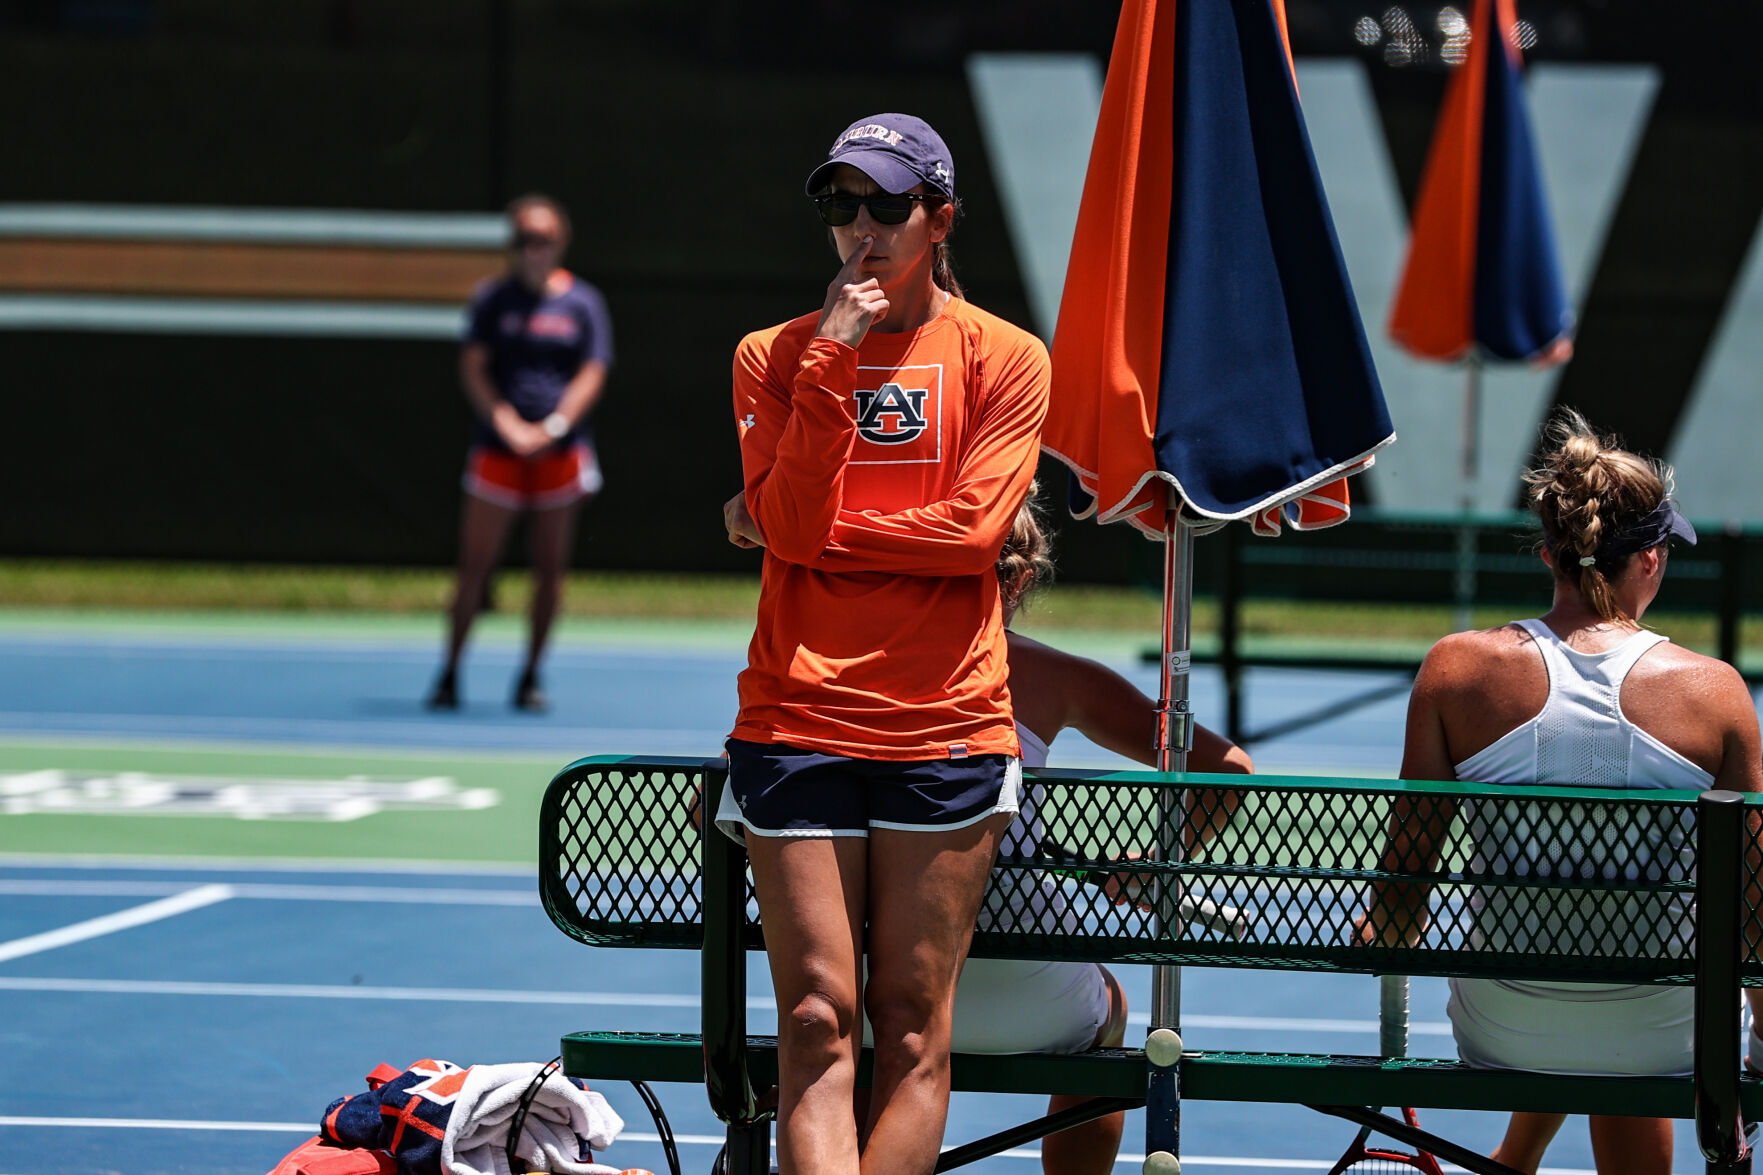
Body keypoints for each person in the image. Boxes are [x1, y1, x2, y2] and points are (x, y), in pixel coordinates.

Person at [726, 488, 1253, 1175]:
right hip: (1027, 997)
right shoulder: (1058, 677)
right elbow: (1226, 768)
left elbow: (741, 806)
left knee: (845, 1032)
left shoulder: (833, 674)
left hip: (854, 991)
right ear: (1020, 579)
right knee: (1113, 1012)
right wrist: (1157, 859)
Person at [715, 113, 1050, 1175]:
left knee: (909, 1022)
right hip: (795, 718)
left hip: (946, 727)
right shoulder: (773, 357)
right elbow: (802, 527)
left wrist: (782, 526)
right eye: (839, 205)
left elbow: (973, 537)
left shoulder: (1006, 355)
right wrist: (832, 358)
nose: (861, 227)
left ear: (938, 217)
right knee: (817, 1015)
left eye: (886, 204)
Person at [1357, 409, 1763, 1175]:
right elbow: (1754, 909)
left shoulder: (1452, 669)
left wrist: (1378, 929)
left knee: (1563, 953)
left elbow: (1404, 879)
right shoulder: (1714, 691)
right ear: (1647, 560)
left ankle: (1514, 1154)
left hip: (1504, 1025)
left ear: (1548, 554)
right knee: (1619, 993)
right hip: (1663, 1035)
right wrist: (1758, 1057)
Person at [427, 194, 613, 713]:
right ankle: (449, 673)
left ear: (561, 242)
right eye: (524, 240)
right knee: (475, 568)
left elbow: (592, 372)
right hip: (497, 452)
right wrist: (506, 423)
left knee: (550, 570)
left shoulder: (583, 303)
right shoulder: (492, 300)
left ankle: (531, 675)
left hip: (560, 453)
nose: (534, 250)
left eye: (544, 240)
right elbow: (474, 368)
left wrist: (553, 426)